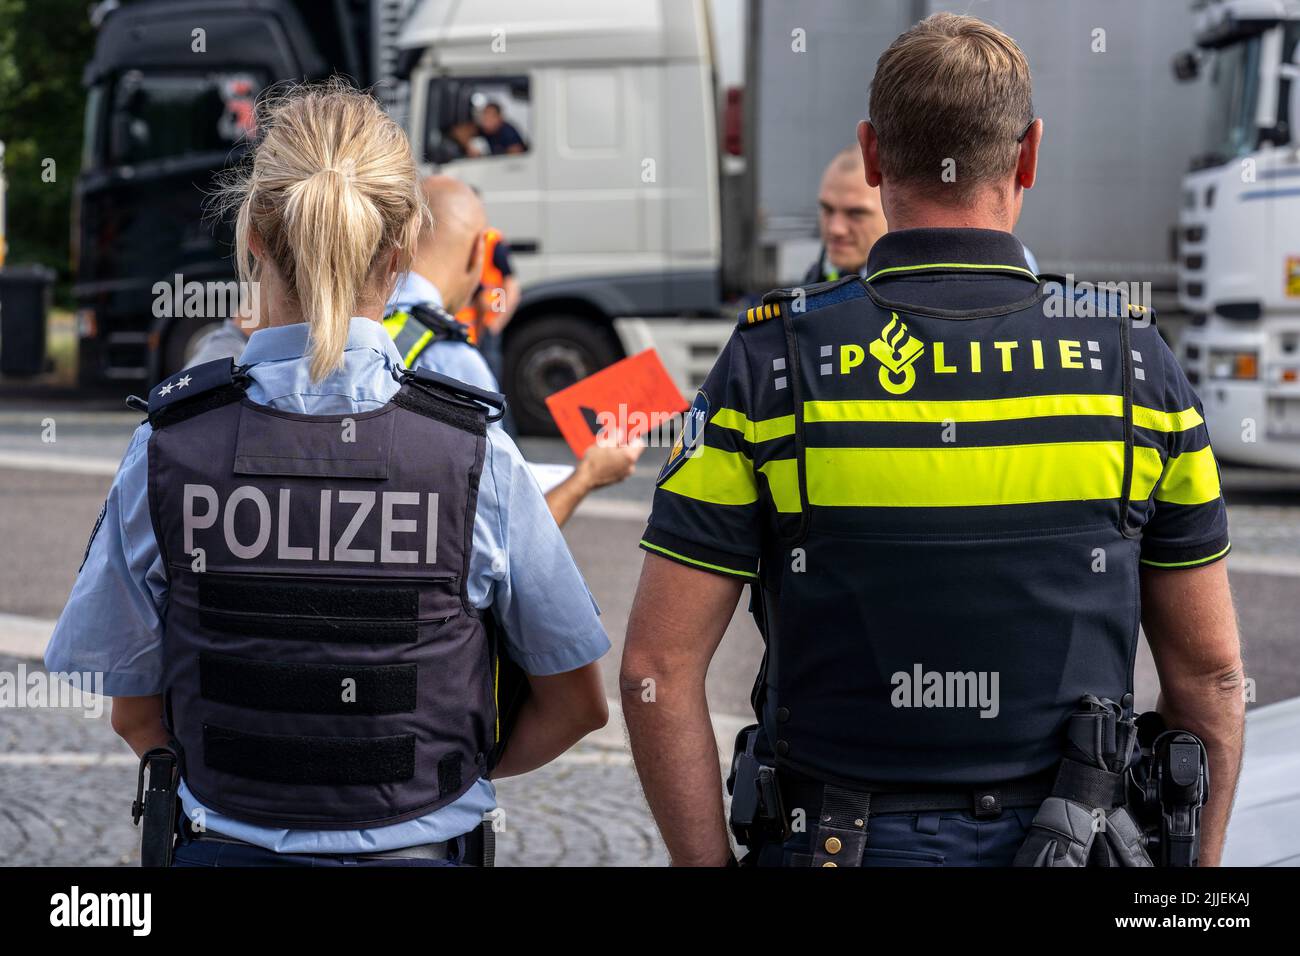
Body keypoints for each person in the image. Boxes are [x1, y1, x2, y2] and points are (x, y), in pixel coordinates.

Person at [621, 13, 1243, 868]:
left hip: (833, 839)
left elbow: (655, 665)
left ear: (873, 155)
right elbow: (1209, 680)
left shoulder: (771, 363)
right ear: (1029, 155)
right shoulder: (1132, 360)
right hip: (1073, 837)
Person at [45, 82, 610, 867]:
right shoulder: (475, 449)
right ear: (404, 247)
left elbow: (135, 713)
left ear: (252, 233)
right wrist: (438, 779)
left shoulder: (169, 445)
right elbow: (576, 703)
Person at [386, 175, 644, 526]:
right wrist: (588, 476)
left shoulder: (350, 323)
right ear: (480, 251)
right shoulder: (452, 360)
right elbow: (507, 527)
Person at [802, 146, 888, 284]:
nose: (836, 229)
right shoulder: (812, 284)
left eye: (855, 213)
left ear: (890, 209)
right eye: (828, 209)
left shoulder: (916, 296)